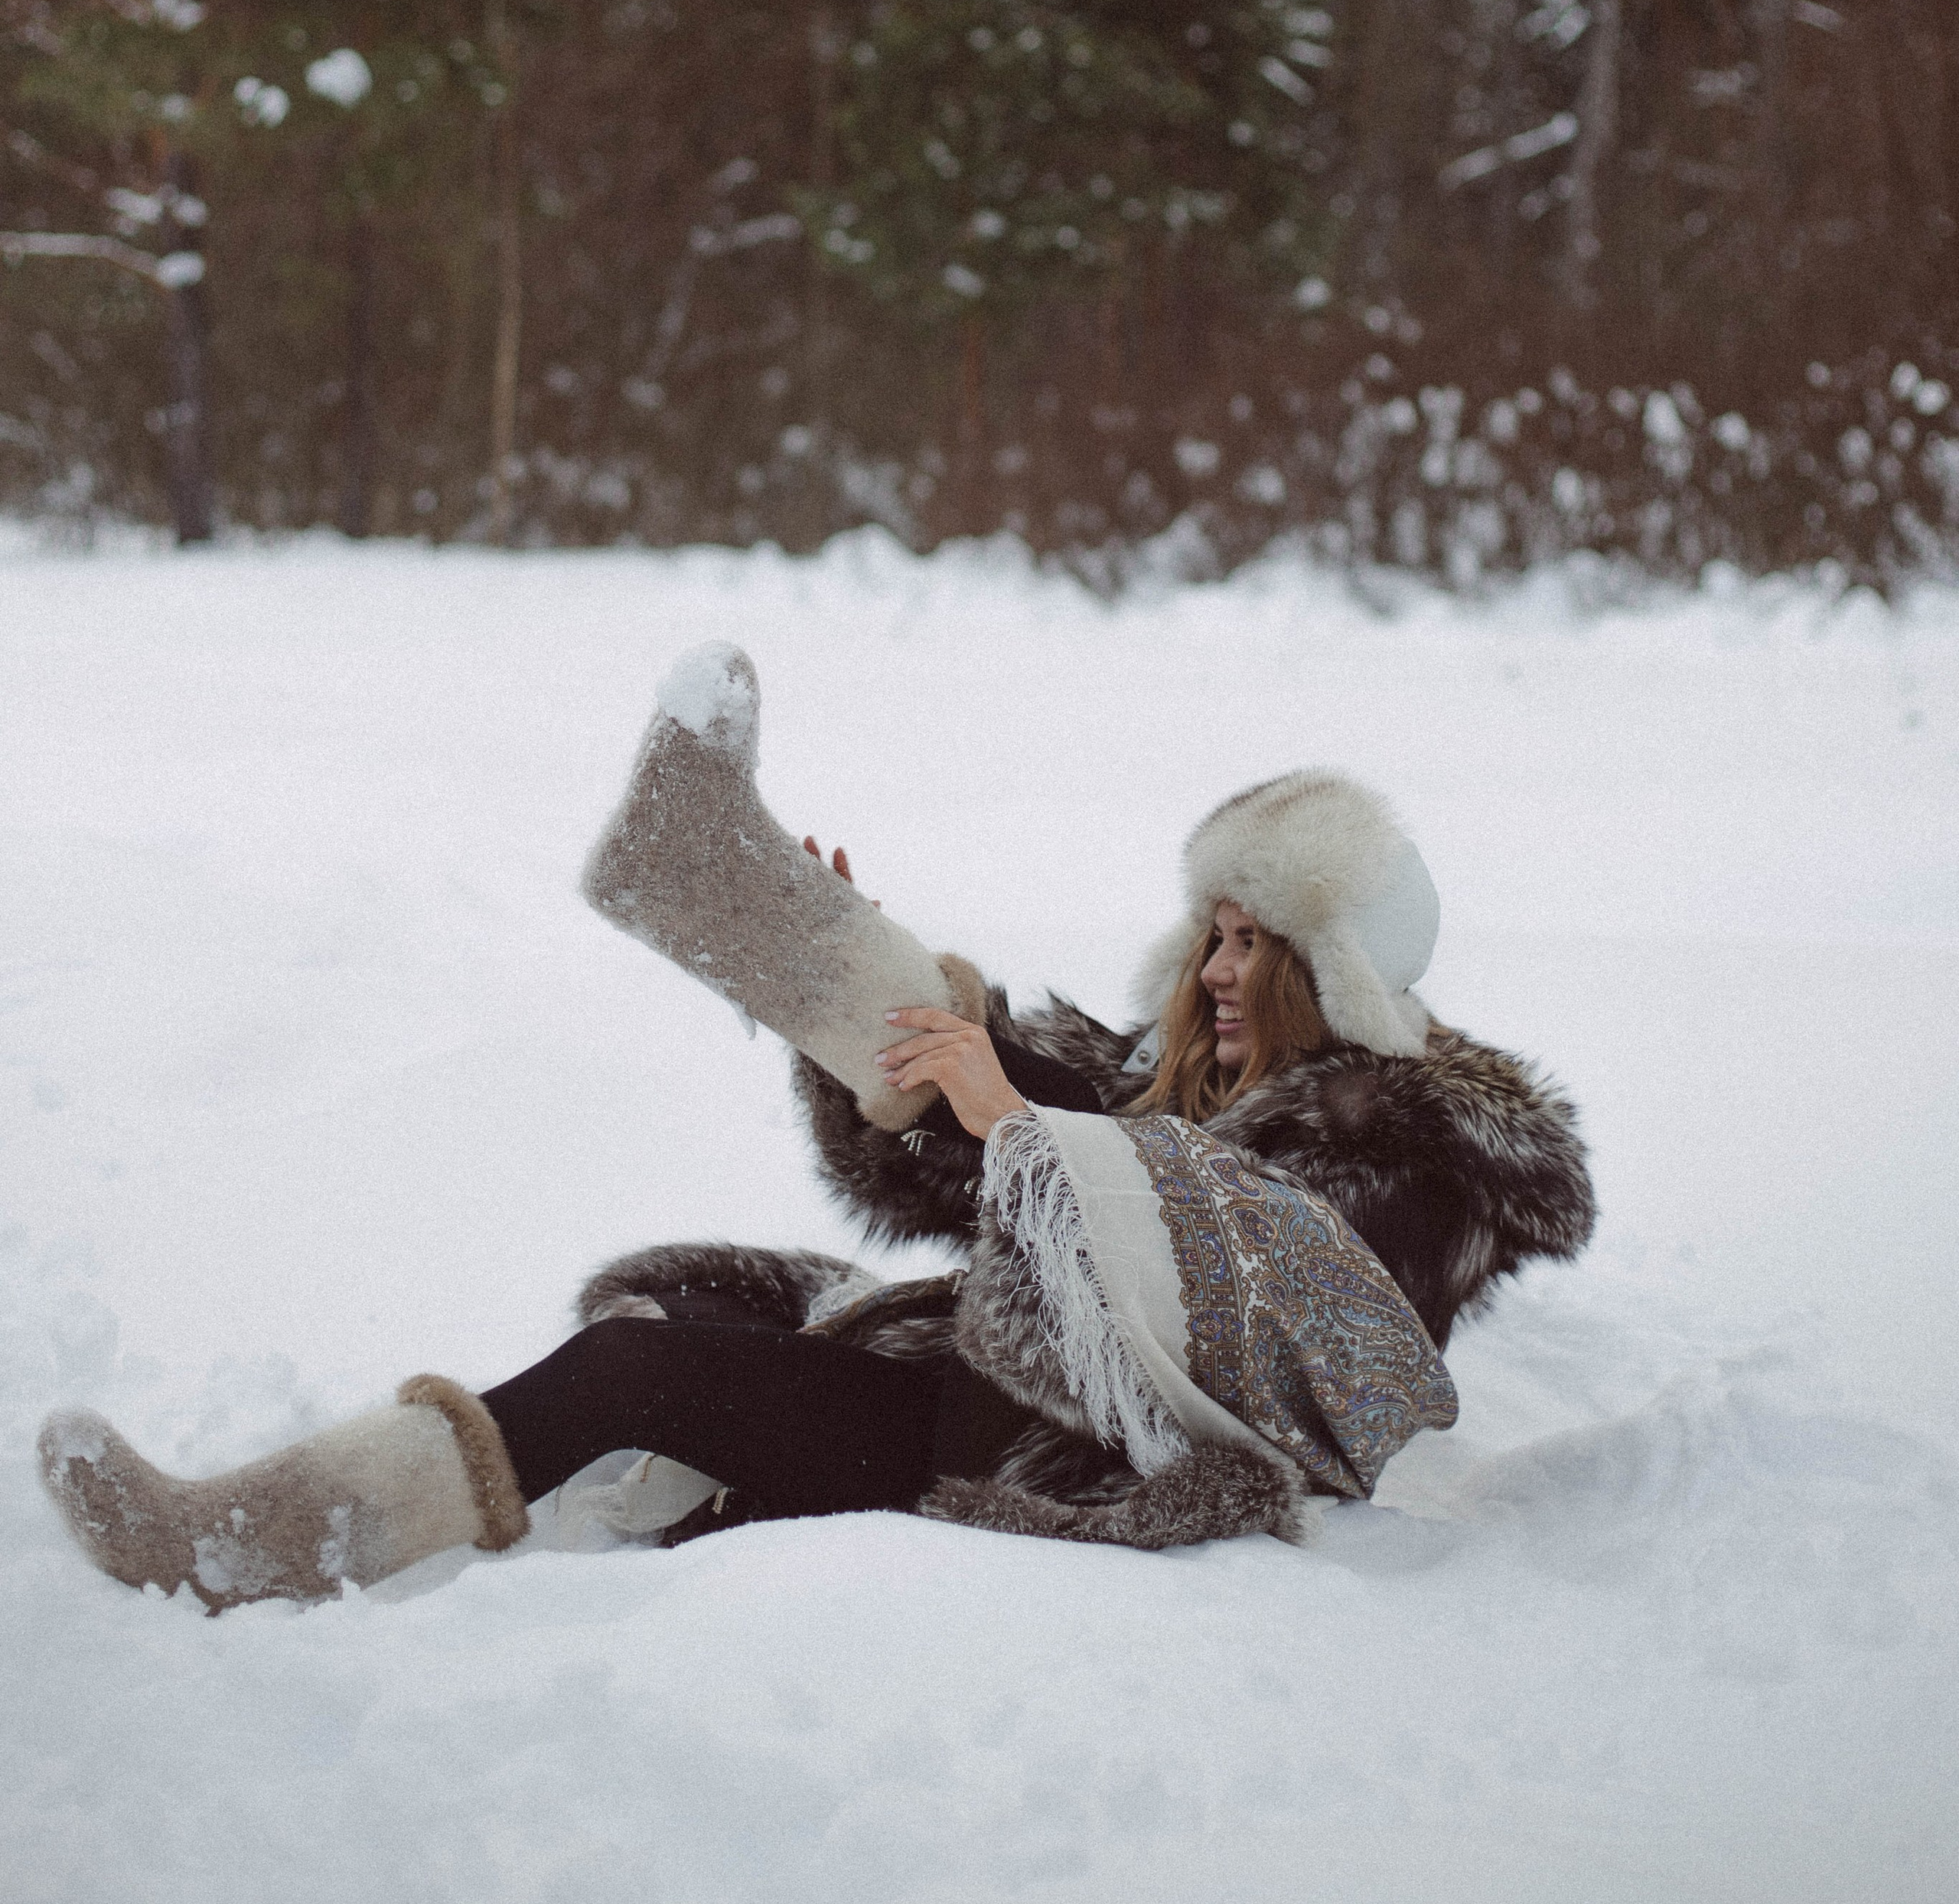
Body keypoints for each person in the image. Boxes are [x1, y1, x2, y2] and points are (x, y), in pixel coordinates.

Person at [38, 663, 1596, 1607]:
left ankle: (234, 1549)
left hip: (1039, 1452)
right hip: (971, 1375)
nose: (1217, 975)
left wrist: (1018, 1129)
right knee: (697, 1292)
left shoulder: (1412, 1166)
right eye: (1212, 935)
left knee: (633, 1371)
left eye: (1259, 946)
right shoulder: (1181, 1078)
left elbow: (1211, 1313)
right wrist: (861, 997)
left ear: (1343, 981)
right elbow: (985, 1155)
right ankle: (740, 888)